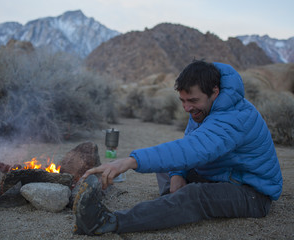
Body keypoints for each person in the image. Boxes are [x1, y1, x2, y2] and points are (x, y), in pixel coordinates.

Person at [73, 60, 283, 236]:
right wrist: (177, 174)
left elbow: (195, 149)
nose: (186, 108)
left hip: (251, 192)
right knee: (167, 165)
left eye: (192, 100)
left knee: (195, 195)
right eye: (182, 100)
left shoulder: (235, 117)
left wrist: (129, 161)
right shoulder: (203, 110)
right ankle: (172, 206)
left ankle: (106, 222)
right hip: (221, 174)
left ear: (215, 92)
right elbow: (185, 146)